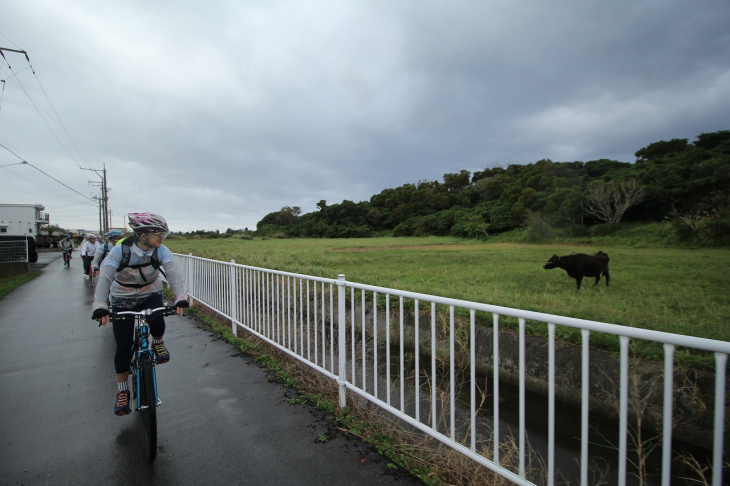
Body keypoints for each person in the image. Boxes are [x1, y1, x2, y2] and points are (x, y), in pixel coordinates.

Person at [91, 212, 188, 416]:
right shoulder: (120, 251)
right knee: (124, 347)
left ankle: (158, 344)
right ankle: (122, 391)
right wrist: (100, 305)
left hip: (150, 293)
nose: (162, 237)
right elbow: (106, 278)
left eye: (164, 233)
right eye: (158, 233)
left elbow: (173, 273)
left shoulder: (161, 250)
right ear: (142, 235)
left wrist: (180, 296)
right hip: (122, 297)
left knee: (158, 321)